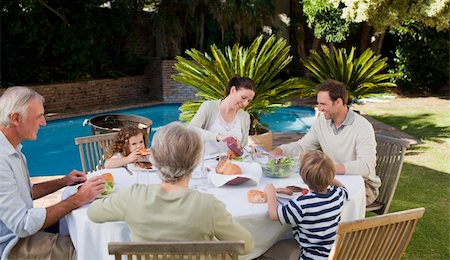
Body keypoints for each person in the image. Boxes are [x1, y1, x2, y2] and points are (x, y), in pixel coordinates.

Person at [87, 122, 254, 254]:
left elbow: (92, 213)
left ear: (156, 159)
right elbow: (246, 246)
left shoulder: (132, 196)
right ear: (196, 162)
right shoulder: (208, 205)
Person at [0, 86, 105, 260]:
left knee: (79, 233)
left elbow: (25, 192)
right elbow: (23, 224)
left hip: (20, 234)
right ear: (16, 118)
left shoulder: (12, 148)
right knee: (89, 252)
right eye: (39, 116)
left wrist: (63, 181)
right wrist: (78, 198)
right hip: (11, 245)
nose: (44, 123)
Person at [271, 79, 379, 205]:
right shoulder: (323, 121)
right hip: (330, 181)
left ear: (338, 102)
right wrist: (279, 151)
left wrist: (326, 169)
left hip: (363, 188)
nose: (319, 108)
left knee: (312, 204)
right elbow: (302, 146)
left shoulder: (362, 127)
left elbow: (366, 165)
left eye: (323, 104)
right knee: (296, 198)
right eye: (318, 104)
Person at [264, 151, 349, 260]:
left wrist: (270, 192)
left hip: (310, 257)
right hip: (332, 255)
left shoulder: (302, 204)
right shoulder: (337, 195)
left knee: (268, 249)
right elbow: (344, 188)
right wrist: (326, 177)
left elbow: (274, 214)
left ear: (303, 177)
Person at [188, 75, 255, 156]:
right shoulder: (209, 107)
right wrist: (219, 137)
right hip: (207, 162)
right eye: (243, 97)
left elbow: (242, 146)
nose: (245, 104)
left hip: (232, 163)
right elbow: (191, 130)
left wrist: (250, 149)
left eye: (248, 101)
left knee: (256, 167)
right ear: (233, 90)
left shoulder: (245, 117)